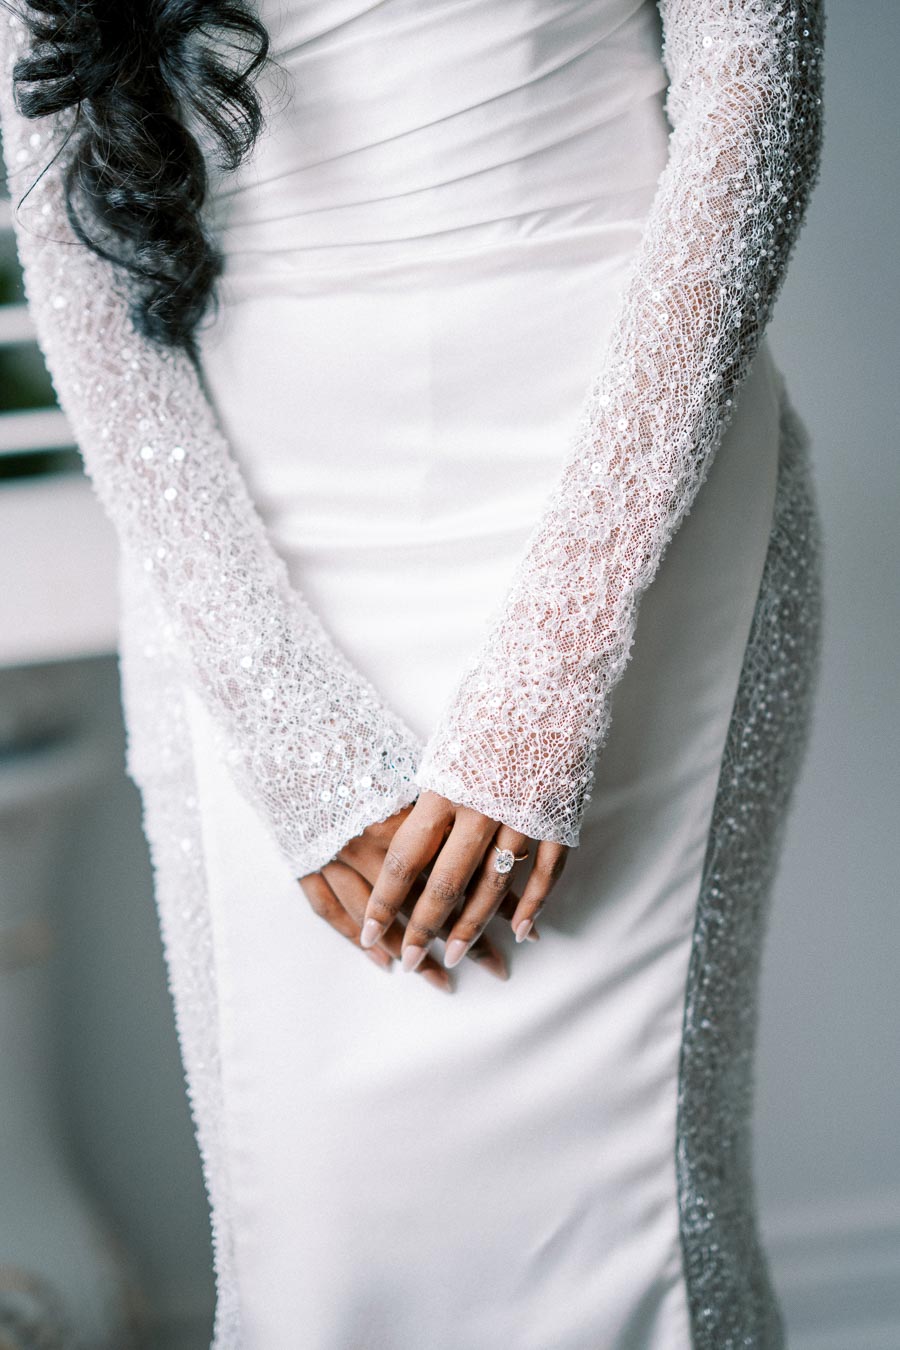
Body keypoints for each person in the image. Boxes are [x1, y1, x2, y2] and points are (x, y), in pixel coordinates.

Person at [0, 0, 825, 1345]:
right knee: (318, 1230)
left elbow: (753, 125)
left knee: (633, 1225)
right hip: (255, 547)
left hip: (624, 496)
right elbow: (69, 237)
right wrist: (294, 735)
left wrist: (549, 686)